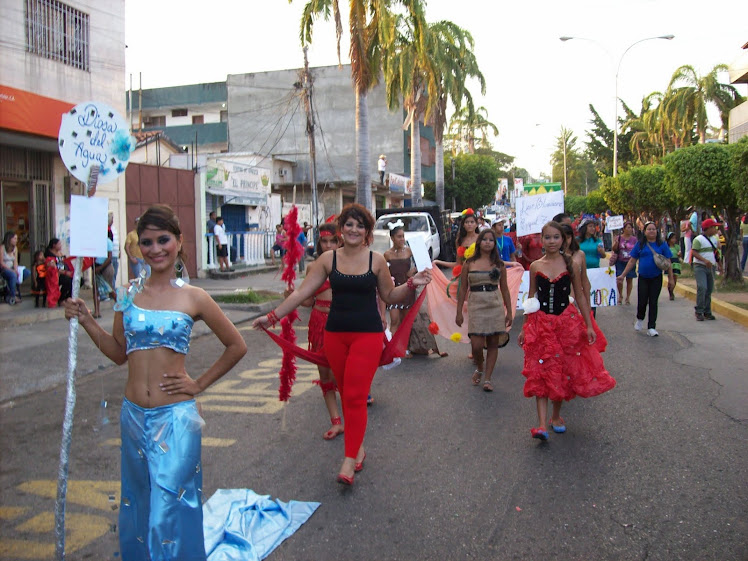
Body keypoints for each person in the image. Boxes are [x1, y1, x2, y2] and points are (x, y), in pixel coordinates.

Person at [64, 204, 247, 560]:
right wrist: (87, 320)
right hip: (132, 418)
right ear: (138, 247)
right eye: (146, 242)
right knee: (137, 505)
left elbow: (236, 346)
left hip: (176, 420)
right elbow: (119, 353)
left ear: (179, 241)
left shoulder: (195, 297)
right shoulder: (127, 293)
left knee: (170, 510)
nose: (156, 249)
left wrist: (199, 384)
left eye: (163, 239)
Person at [253, 203, 432, 486]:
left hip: (367, 336)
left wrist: (412, 284)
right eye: (349, 224)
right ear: (341, 229)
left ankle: (348, 460)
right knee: (345, 392)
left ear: (367, 232)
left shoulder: (376, 261)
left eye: (360, 225)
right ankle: (357, 446)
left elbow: (389, 294)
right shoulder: (327, 260)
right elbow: (302, 293)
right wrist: (272, 316)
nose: (354, 229)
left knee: (356, 396)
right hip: (335, 335)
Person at [518, 221, 615, 440]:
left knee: (560, 371)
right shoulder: (535, 266)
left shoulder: (571, 262)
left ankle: (555, 416)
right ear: (541, 240)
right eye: (547, 237)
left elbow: (580, 294)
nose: (551, 241)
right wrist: (526, 328)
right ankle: (541, 425)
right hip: (541, 324)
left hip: (566, 324)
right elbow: (531, 298)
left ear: (564, 240)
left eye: (556, 237)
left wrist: (588, 324)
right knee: (541, 371)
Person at [300, 223, 344, 440]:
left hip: (339, 323)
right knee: (324, 374)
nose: (328, 245)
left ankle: (353, 417)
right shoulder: (313, 267)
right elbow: (308, 301)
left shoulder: (346, 264)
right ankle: (336, 422)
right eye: (324, 241)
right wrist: (292, 294)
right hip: (318, 323)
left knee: (339, 375)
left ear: (339, 242)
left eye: (332, 241)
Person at [455, 229, 513, 392]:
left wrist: (509, 311)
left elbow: (505, 289)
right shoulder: (469, 263)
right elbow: (462, 289)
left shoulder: (499, 264)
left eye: (491, 240)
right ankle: (480, 368)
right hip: (476, 304)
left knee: (493, 343)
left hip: (494, 304)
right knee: (477, 345)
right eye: (485, 239)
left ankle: (487, 378)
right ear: (479, 242)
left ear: (494, 244)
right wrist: (459, 311)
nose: (488, 242)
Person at [617, 222, 675, 337]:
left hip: (656, 278)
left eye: (654, 229)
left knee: (653, 302)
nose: (652, 231)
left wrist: (671, 278)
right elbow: (632, 260)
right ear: (644, 232)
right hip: (643, 277)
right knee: (642, 300)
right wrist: (623, 275)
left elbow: (668, 262)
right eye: (649, 229)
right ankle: (640, 318)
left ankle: (652, 327)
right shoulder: (640, 244)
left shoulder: (662, 244)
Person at [383, 221, 415, 334]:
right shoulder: (387, 254)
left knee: (405, 321)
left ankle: (405, 348)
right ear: (392, 238)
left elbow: (424, 263)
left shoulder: (409, 251)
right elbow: (382, 271)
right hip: (393, 291)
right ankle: (393, 349)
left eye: (403, 236)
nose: (402, 239)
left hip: (407, 289)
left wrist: (413, 271)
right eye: (399, 236)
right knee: (395, 320)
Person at [690, 218, 722, 321]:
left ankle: (707, 311)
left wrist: (719, 264)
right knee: (702, 287)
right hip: (700, 267)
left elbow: (716, 253)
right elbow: (694, 252)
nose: (716, 230)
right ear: (708, 228)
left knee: (709, 289)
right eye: (714, 227)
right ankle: (699, 311)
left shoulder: (714, 239)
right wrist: (704, 260)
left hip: (711, 267)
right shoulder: (698, 239)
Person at [577, 218, 605, 316]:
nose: (593, 228)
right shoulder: (578, 241)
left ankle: (592, 317)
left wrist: (601, 252)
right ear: (584, 228)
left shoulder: (597, 241)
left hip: (594, 271)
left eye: (594, 226)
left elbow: (604, 255)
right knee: (581, 295)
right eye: (590, 226)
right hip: (580, 271)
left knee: (593, 296)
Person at [611, 221, 637, 305]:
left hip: (630, 262)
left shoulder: (634, 239)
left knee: (629, 280)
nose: (629, 229)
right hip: (620, 261)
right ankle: (620, 295)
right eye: (628, 227)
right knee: (619, 280)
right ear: (624, 229)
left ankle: (628, 297)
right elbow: (614, 249)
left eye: (631, 227)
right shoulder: (619, 238)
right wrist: (616, 243)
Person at [1, 231, 31, 305]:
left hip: (12, 267)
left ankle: (14, 285)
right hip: (4, 269)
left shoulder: (15, 248)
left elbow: (15, 261)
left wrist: (16, 269)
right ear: (9, 239)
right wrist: (12, 270)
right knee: (13, 275)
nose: (16, 240)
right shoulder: (2, 248)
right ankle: (13, 295)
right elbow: (1, 262)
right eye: (14, 238)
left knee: (26, 272)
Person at [44, 238, 73, 307]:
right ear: (54, 245)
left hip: (64, 272)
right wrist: (66, 273)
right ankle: (61, 299)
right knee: (68, 281)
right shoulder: (50, 255)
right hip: (55, 276)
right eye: (59, 244)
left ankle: (67, 298)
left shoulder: (60, 253)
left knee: (79, 280)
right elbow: (54, 268)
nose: (60, 245)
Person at [666, 232, 681, 300]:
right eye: (672, 238)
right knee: (670, 278)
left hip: (676, 263)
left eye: (675, 238)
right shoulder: (666, 247)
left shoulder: (677, 246)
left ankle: (672, 289)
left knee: (675, 278)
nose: (674, 240)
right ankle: (670, 292)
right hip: (669, 263)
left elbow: (680, 255)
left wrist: (679, 254)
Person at [108, 211, 120, 287]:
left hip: (115, 254)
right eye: (112, 218)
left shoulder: (114, 229)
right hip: (110, 255)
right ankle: (110, 290)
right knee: (111, 274)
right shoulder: (107, 229)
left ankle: (113, 287)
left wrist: (119, 251)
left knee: (115, 273)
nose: (113, 220)